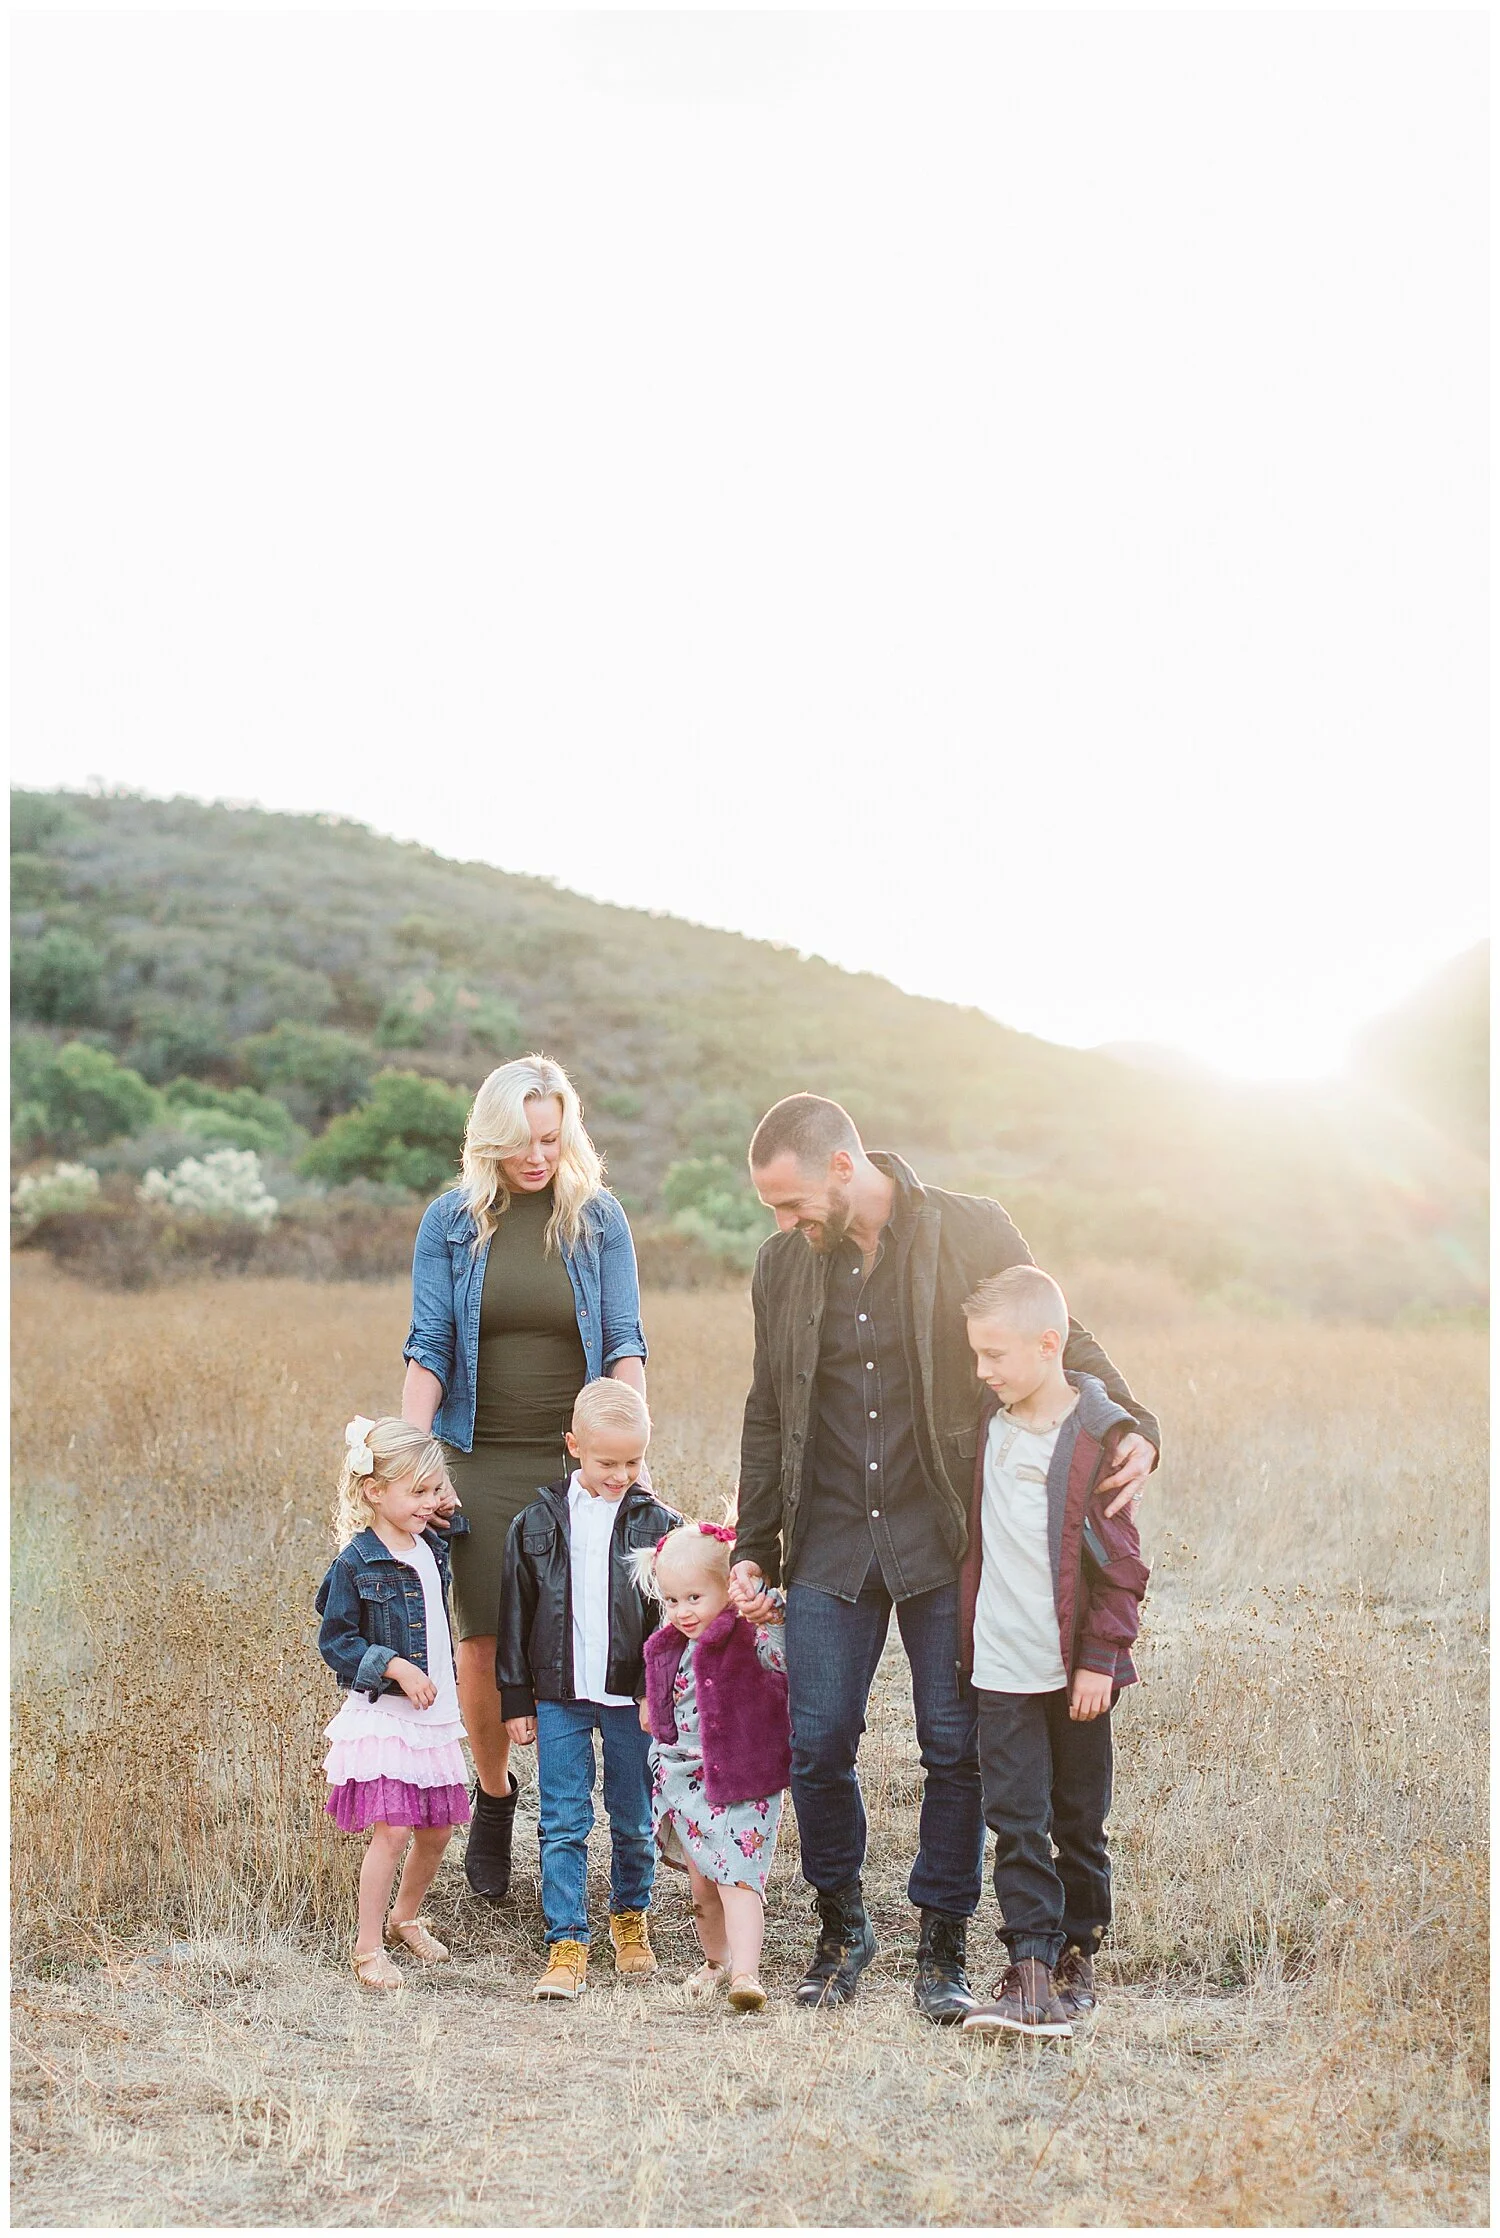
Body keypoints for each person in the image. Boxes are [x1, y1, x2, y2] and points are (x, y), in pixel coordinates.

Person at [729, 1093, 1161, 2023]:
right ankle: (842, 1927)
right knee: (817, 1746)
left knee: (954, 1748)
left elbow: (1062, 1334)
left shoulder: (972, 1226)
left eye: (791, 1201)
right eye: (772, 1208)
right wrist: (757, 1547)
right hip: (829, 1538)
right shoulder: (782, 1267)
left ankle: (943, 1941)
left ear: (844, 1167)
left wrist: (1134, 1423)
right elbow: (768, 1407)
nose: (782, 1223)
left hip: (947, 1538)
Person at [401, 1053, 648, 1902]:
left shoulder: (599, 1221)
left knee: (588, 1636)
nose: (536, 1157)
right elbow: (429, 1345)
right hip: (478, 1457)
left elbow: (625, 1342)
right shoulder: (451, 1223)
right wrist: (413, 1453)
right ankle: (497, 1795)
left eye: (549, 1138)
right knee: (480, 1642)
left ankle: (598, 1823)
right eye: (518, 1142)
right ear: (489, 1140)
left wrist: (621, 1453)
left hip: (571, 1460)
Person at [957, 1265, 1150, 2040]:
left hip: (1076, 1673)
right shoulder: (985, 1424)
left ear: (1049, 1344)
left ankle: (1078, 1957)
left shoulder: (1094, 1443)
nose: (983, 1371)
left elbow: (1122, 1566)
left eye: (996, 1355)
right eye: (975, 1355)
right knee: (1016, 1819)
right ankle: (1029, 1968)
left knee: (1078, 1819)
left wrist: (1100, 1659)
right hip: (1001, 1666)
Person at [496, 1379, 681, 2000]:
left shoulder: (661, 1527)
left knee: (632, 1817)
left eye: (633, 1461)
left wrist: (659, 1692)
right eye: (607, 1462)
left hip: (632, 1700)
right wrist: (516, 1699)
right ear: (574, 1446)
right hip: (559, 1696)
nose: (620, 1474)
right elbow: (516, 1615)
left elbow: (671, 1622)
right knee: (562, 1818)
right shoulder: (536, 1523)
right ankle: (566, 1939)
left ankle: (631, 1918)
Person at [315, 1415, 472, 1991]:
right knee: (394, 1830)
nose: (430, 1502)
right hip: (387, 1715)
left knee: (437, 1828)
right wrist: (394, 1666)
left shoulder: (431, 1540)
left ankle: (407, 1916)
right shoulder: (356, 1562)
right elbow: (337, 1642)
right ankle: (367, 1946)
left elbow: (460, 1522)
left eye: (435, 1490)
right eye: (418, 1492)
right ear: (374, 1492)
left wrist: (441, 1501)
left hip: (434, 1716)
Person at [634, 1522, 792, 2013]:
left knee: (738, 1877)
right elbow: (665, 1704)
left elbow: (785, 1660)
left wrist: (777, 1621)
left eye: (695, 1598)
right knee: (702, 1883)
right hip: (683, 1779)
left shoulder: (748, 1636)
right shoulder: (669, 1645)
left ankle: (746, 1972)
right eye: (672, 1600)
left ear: (728, 1589)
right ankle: (715, 1960)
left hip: (742, 1777)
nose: (682, 1612)